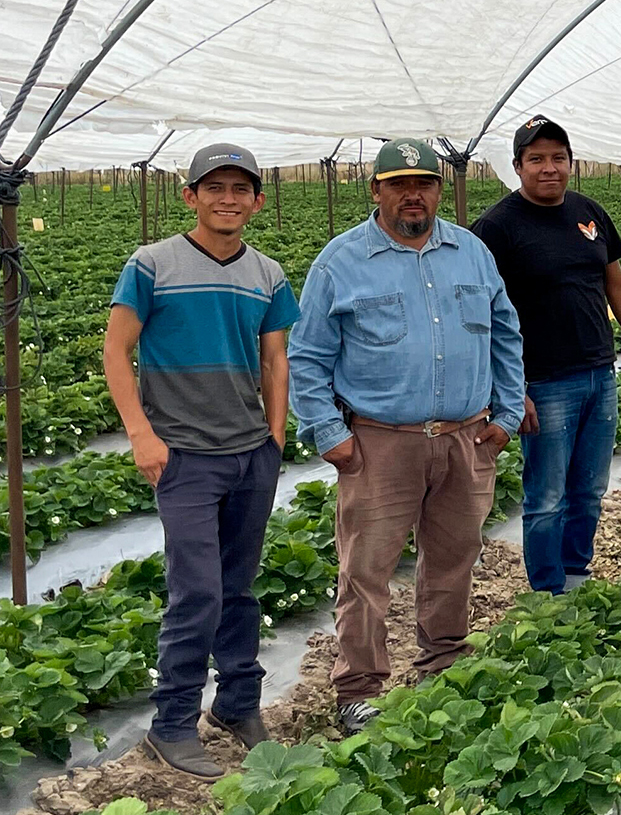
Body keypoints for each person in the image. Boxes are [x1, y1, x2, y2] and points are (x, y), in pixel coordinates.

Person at [289, 138, 525, 732]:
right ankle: (357, 690)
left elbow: (505, 333)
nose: (412, 194)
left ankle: (443, 662)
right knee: (366, 569)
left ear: (439, 190)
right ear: (376, 190)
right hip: (379, 441)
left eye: (424, 182)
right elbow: (308, 355)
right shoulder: (339, 262)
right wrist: (327, 433)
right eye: (397, 183)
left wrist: (505, 415)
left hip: (466, 438)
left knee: (454, 558)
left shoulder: (470, 251)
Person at [105, 144, 298, 779]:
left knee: (239, 587)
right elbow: (116, 352)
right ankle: (172, 722)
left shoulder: (268, 274)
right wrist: (141, 433)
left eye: (241, 189)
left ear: (257, 202)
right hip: (184, 456)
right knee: (197, 592)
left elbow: (275, 360)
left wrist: (273, 438)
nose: (228, 199)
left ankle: (238, 704)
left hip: (250, 455)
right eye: (214, 188)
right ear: (190, 197)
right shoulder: (151, 264)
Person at [472, 116, 621, 595]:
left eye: (558, 157)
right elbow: (479, 318)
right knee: (546, 497)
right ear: (517, 166)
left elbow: (615, 283)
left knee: (589, 490)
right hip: (543, 383)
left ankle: (576, 574)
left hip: (600, 372)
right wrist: (508, 392)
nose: (548, 168)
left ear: (570, 163)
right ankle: (547, 592)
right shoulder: (496, 228)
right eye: (536, 159)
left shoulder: (588, 211)